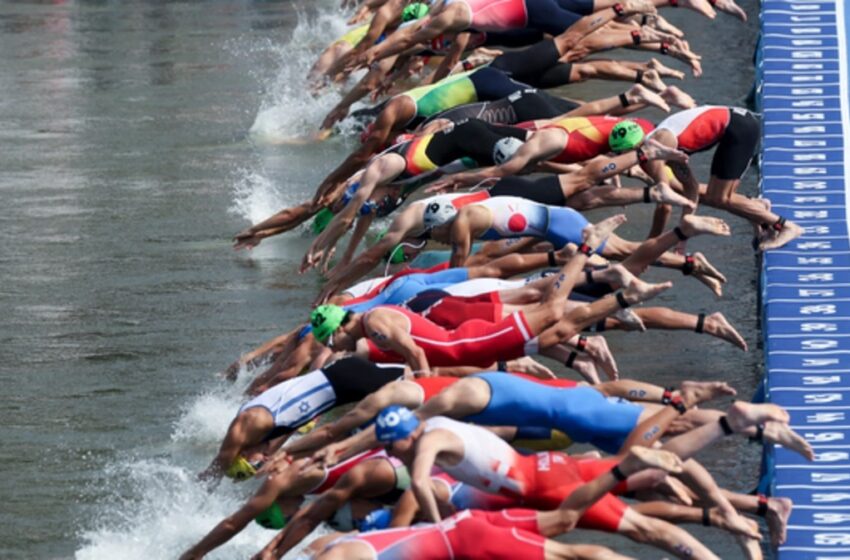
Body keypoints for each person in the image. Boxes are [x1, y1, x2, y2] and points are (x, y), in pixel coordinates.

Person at [308, 216, 673, 371]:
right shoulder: (379, 313)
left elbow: (418, 353)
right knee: (555, 324)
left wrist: (420, 395)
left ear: (339, 330)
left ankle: (588, 253)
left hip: (472, 335)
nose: (336, 350)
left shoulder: (376, 323)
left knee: (548, 306)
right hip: (466, 332)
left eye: (333, 343)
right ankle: (618, 304)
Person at [258, 446, 686, 560]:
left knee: (572, 547)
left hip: (465, 537)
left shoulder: (334, 546)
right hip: (459, 522)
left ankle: (624, 470)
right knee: (567, 520)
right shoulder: (326, 542)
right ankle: (621, 468)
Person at [181, 448, 409, 559]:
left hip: (396, 474)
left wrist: (196, 552)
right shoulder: (305, 485)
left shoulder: (284, 480)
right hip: (386, 473)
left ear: (277, 504)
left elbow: (233, 523)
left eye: (286, 518)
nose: (294, 515)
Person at [639, 105, 803, 250]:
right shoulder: (660, 143)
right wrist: (683, 237)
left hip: (739, 129)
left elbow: (664, 206)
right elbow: (691, 188)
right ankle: (757, 208)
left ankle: (786, 226)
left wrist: (649, 246)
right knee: (715, 195)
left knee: (719, 198)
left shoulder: (652, 155)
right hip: (734, 125)